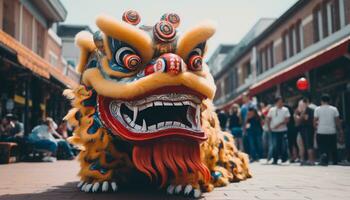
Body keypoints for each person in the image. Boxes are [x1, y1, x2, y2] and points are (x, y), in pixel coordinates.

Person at [314, 94, 344, 166]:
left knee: (322, 146)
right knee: (333, 146)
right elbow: (337, 121)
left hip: (321, 131)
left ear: (321, 101)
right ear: (329, 101)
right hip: (331, 131)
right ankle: (335, 161)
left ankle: (324, 159)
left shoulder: (317, 109)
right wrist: (340, 130)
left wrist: (316, 129)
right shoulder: (334, 109)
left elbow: (315, 121)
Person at [266, 96, 290, 165]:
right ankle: (275, 159)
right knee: (274, 145)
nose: (280, 103)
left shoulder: (285, 110)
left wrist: (279, 124)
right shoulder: (272, 110)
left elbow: (287, 119)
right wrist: (269, 127)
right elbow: (268, 118)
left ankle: (284, 159)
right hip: (274, 131)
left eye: (282, 102)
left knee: (284, 145)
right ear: (276, 102)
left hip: (283, 130)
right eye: (279, 102)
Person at [294, 98, 315, 165]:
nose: (300, 106)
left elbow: (302, 120)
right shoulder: (300, 112)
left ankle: (311, 160)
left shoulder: (310, 110)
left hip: (308, 129)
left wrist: (298, 115)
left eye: (301, 104)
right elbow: (297, 123)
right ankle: (303, 159)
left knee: (309, 145)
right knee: (302, 145)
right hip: (302, 130)